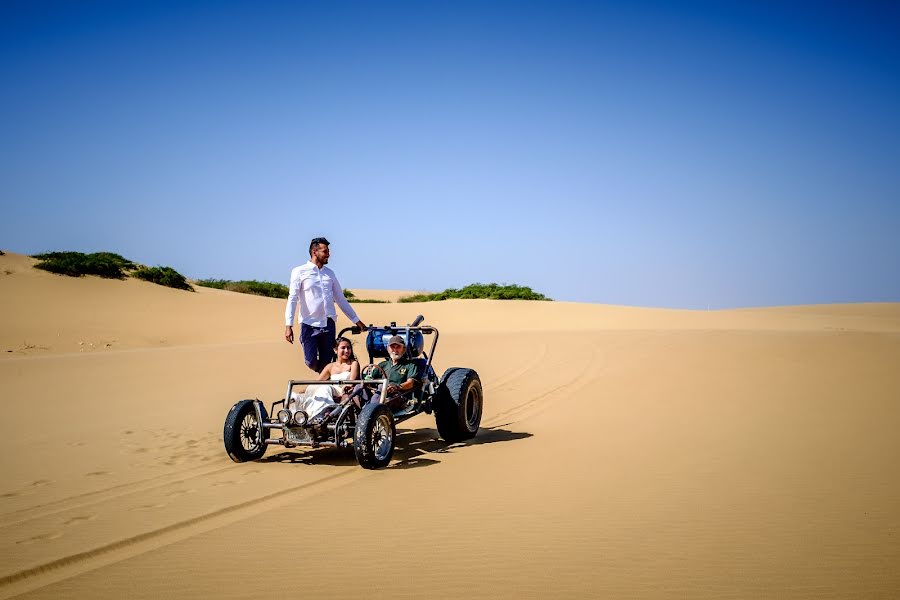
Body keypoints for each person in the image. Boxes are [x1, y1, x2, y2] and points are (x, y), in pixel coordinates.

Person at [284, 237, 366, 372]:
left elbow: (340, 299)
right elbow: (292, 298)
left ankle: (324, 385)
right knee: (310, 362)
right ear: (314, 252)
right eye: (325, 251)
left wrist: (357, 321)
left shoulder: (330, 274)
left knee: (326, 360)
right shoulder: (299, 271)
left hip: (328, 323)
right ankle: (323, 377)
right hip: (309, 323)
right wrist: (289, 325)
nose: (328, 254)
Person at [290, 337, 360, 421]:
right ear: (335, 350)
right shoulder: (330, 366)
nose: (346, 351)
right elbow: (317, 382)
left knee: (325, 387)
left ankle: (319, 416)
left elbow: (351, 383)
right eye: (343, 348)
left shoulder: (353, 364)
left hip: (346, 392)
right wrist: (303, 391)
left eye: (348, 348)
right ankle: (306, 411)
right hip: (332, 391)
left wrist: (342, 394)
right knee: (321, 388)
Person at [360, 335, 420, 411]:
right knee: (359, 386)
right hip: (378, 393)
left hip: (397, 396)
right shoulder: (383, 365)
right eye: (392, 347)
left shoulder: (410, 365)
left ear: (404, 349)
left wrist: (396, 387)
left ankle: (369, 412)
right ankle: (359, 412)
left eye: (398, 347)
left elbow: (410, 383)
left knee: (382, 387)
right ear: (388, 349)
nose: (395, 350)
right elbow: (371, 379)